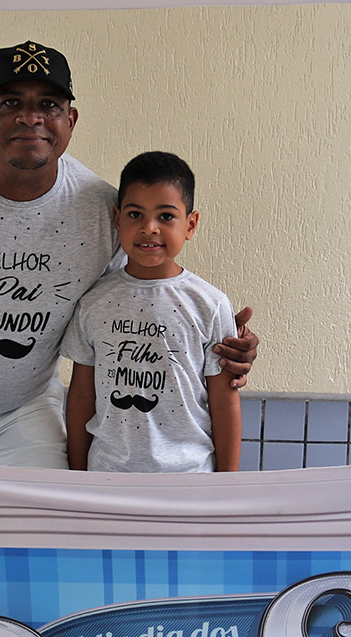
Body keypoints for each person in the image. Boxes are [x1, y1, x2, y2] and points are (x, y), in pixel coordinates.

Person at [0, 42, 256, 468]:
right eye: (11, 103)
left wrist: (223, 342)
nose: (30, 117)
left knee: (45, 511)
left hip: (22, 412)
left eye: (49, 105)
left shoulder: (100, 210)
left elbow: (135, 304)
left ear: (70, 121)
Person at [62, 152, 240, 473]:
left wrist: (227, 487)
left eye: (166, 216)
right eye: (135, 214)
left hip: (188, 479)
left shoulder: (210, 305)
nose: (149, 228)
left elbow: (224, 402)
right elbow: (81, 396)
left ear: (191, 225)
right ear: (118, 220)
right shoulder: (93, 302)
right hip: (108, 476)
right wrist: (78, 476)